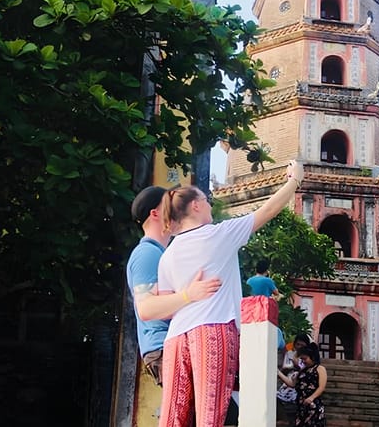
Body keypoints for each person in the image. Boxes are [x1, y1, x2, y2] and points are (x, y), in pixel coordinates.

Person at [155, 160, 305, 427]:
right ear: (196, 206)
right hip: (212, 330)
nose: (210, 205)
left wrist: (189, 296)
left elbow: (165, 308)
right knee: (209, 416)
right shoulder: (219, 234)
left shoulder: (168, 254)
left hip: (176, 337)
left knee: (172, 419)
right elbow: (269, 209)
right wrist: (295, 180)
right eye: (206, 200)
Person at [127, 186, 221, 385]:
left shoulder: (164, 253)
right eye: (168, 205)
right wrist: (189, 295)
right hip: (165, 349)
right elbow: (146, 308)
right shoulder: (147, 254)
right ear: (155, 214)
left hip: (173, 348)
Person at [277, 343, 327, 427]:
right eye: (302, 359)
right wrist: (278, 373)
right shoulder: (303, 370)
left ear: (312, 357)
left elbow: (321, 387)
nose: (303, 361)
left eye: (305, 358)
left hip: (313, 405)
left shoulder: (320, 369)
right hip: (301, 405)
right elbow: (292, 384)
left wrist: (311, 397)